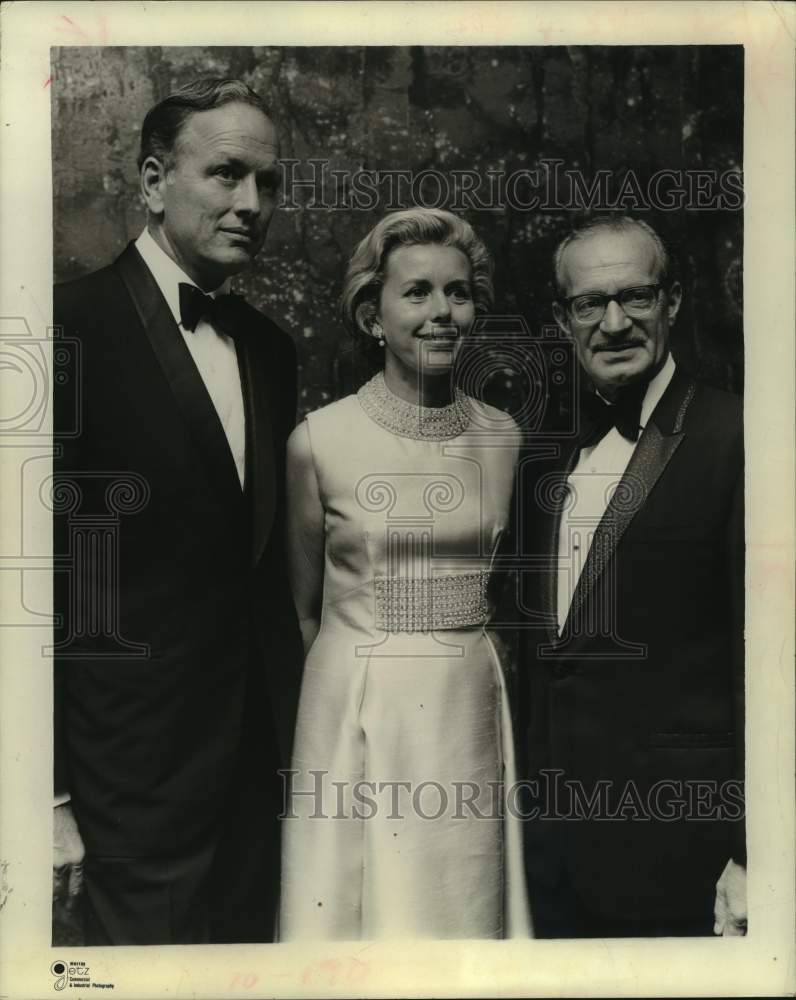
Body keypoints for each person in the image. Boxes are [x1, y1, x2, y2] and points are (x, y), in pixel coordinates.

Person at [52, 78, 302, 945]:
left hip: (257, 787)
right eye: (226, 175)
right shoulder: (63, 330)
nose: (252, 204)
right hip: (123, 790)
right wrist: (45, 798)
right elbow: (28, 584)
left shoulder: (272, 353)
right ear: (155, 183)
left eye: (268, 184)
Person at [278, 208, 532, 940]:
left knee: (461, 913)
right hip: (355, 706)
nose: (441, 312)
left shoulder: (504, 436)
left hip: (466, 707)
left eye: (458, 292)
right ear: (373, 313)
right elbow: (303, 610)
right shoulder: (318, 440)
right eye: (416, 292)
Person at [518, 215, 745, 937]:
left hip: (691, 859)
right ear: (562, 318)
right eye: (590, 304)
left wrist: (754, 852)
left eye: (636, 298)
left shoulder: (739, 437)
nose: (614, 323)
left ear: (672, 302)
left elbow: (769, 669)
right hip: (551, 862)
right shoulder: (544, 456)